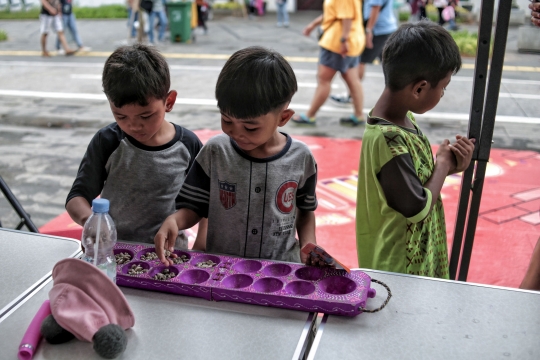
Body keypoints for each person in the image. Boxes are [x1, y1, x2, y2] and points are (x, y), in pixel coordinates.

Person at [154, 46, 320, 266]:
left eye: (251, 128)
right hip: (222, 268)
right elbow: (194, 208)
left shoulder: (301, 158)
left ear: (283, 117)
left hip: (279, 268)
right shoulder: (215, 152)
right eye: (227, 121)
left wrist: (309, 244)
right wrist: (174, 220)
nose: (237, 133)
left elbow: (306, 212)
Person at [355, 21, 476, 279]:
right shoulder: (388, 139)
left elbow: (414, 181)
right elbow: (417, 208)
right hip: (401, 266)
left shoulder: (402, 119)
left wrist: (449, 166)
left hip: (413, 259)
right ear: (420, 88)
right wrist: (442, 164)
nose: (443, 93)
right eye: (443, 87)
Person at [66, 44, 207, 249]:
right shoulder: (108, 141)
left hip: (169, 254)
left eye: (146, 115)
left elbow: (206, 201)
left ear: (169, 101)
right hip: (114, 250)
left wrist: (201, 246)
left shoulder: (187, 145)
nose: (133, 125)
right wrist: (92, 222)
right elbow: (76, 197)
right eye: (120, 116)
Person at [291, 0, 365, 127]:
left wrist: (343, 40)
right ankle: (358, 115)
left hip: (337, 43)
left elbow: (346, 17)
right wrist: (313, 24)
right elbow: (334, 13)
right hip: (353, 41)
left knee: (324, 80)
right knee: (352, 79)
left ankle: (310, 115)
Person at [330, 0, 397, 107]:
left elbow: (375, 8)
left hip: (377, 30)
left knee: (360, 61)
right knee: (390, 64)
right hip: (385, 28)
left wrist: (368, 31)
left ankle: (352, 95)